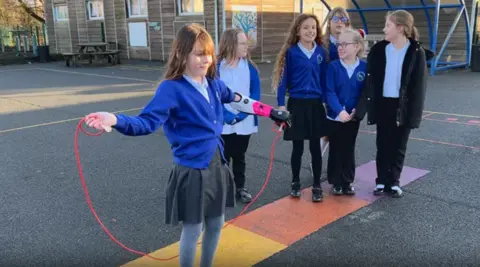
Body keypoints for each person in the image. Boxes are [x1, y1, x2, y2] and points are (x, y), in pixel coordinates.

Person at [82, 23, 289, 267]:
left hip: (217, 165)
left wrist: (271, 111)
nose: (206, 59)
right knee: (193, 230)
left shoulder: (212, 84)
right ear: (181, 54)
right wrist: (115, 119)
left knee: (216, 223)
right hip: (192, 170)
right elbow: (146, 122)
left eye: (209, 53)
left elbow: (237, 99)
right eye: (199, 54)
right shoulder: (172, 89)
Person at [365, 10, 433, 198]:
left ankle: (394, 181)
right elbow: (371, 79)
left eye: (388, 25)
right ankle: (381, 181)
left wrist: (414, 115)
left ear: (401, 28)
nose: (384, 29)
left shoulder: (415, 52)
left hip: (403, 106)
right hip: (383, 104)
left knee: (399, 145)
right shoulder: (379, 50)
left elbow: (419, 87)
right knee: (383, 143)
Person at [272, 13, 329, 202]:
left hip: (315, 105)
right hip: (296, 105)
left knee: (315, 147)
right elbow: (283, 81)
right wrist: (281, 104)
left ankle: (317, 185)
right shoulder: (291, 52)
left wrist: (327, 103)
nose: (310, 31)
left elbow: (324, 80)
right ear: (298, 30)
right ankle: (295, 182)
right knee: (297, 148)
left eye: (313, 27)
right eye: (305, 27)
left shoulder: (321, 52)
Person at [217, 28, 261, 204]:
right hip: (223, 121)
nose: (246, 46)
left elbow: (255, 94)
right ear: (230, 45)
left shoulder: (250, 67)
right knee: (223, 156)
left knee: (240, 154)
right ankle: (222, 189)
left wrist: (244, 114)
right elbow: (213, 94)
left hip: (245, 120)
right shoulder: (216, 67)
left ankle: (240, 187)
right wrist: (226, 115)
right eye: (242, 43)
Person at [325, 28, 367, 196]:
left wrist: (357, 111)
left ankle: (347, 181)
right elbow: (330, 91)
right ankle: (336, 181)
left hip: (353, 117)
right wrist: (339, 111)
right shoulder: (333, 67)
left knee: (349, 147)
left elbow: (365, 93)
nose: (340, 47)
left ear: (357, 47)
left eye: (345, 44)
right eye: (338, 44)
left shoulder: (364, 67)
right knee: (335, 147)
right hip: (335, 117)